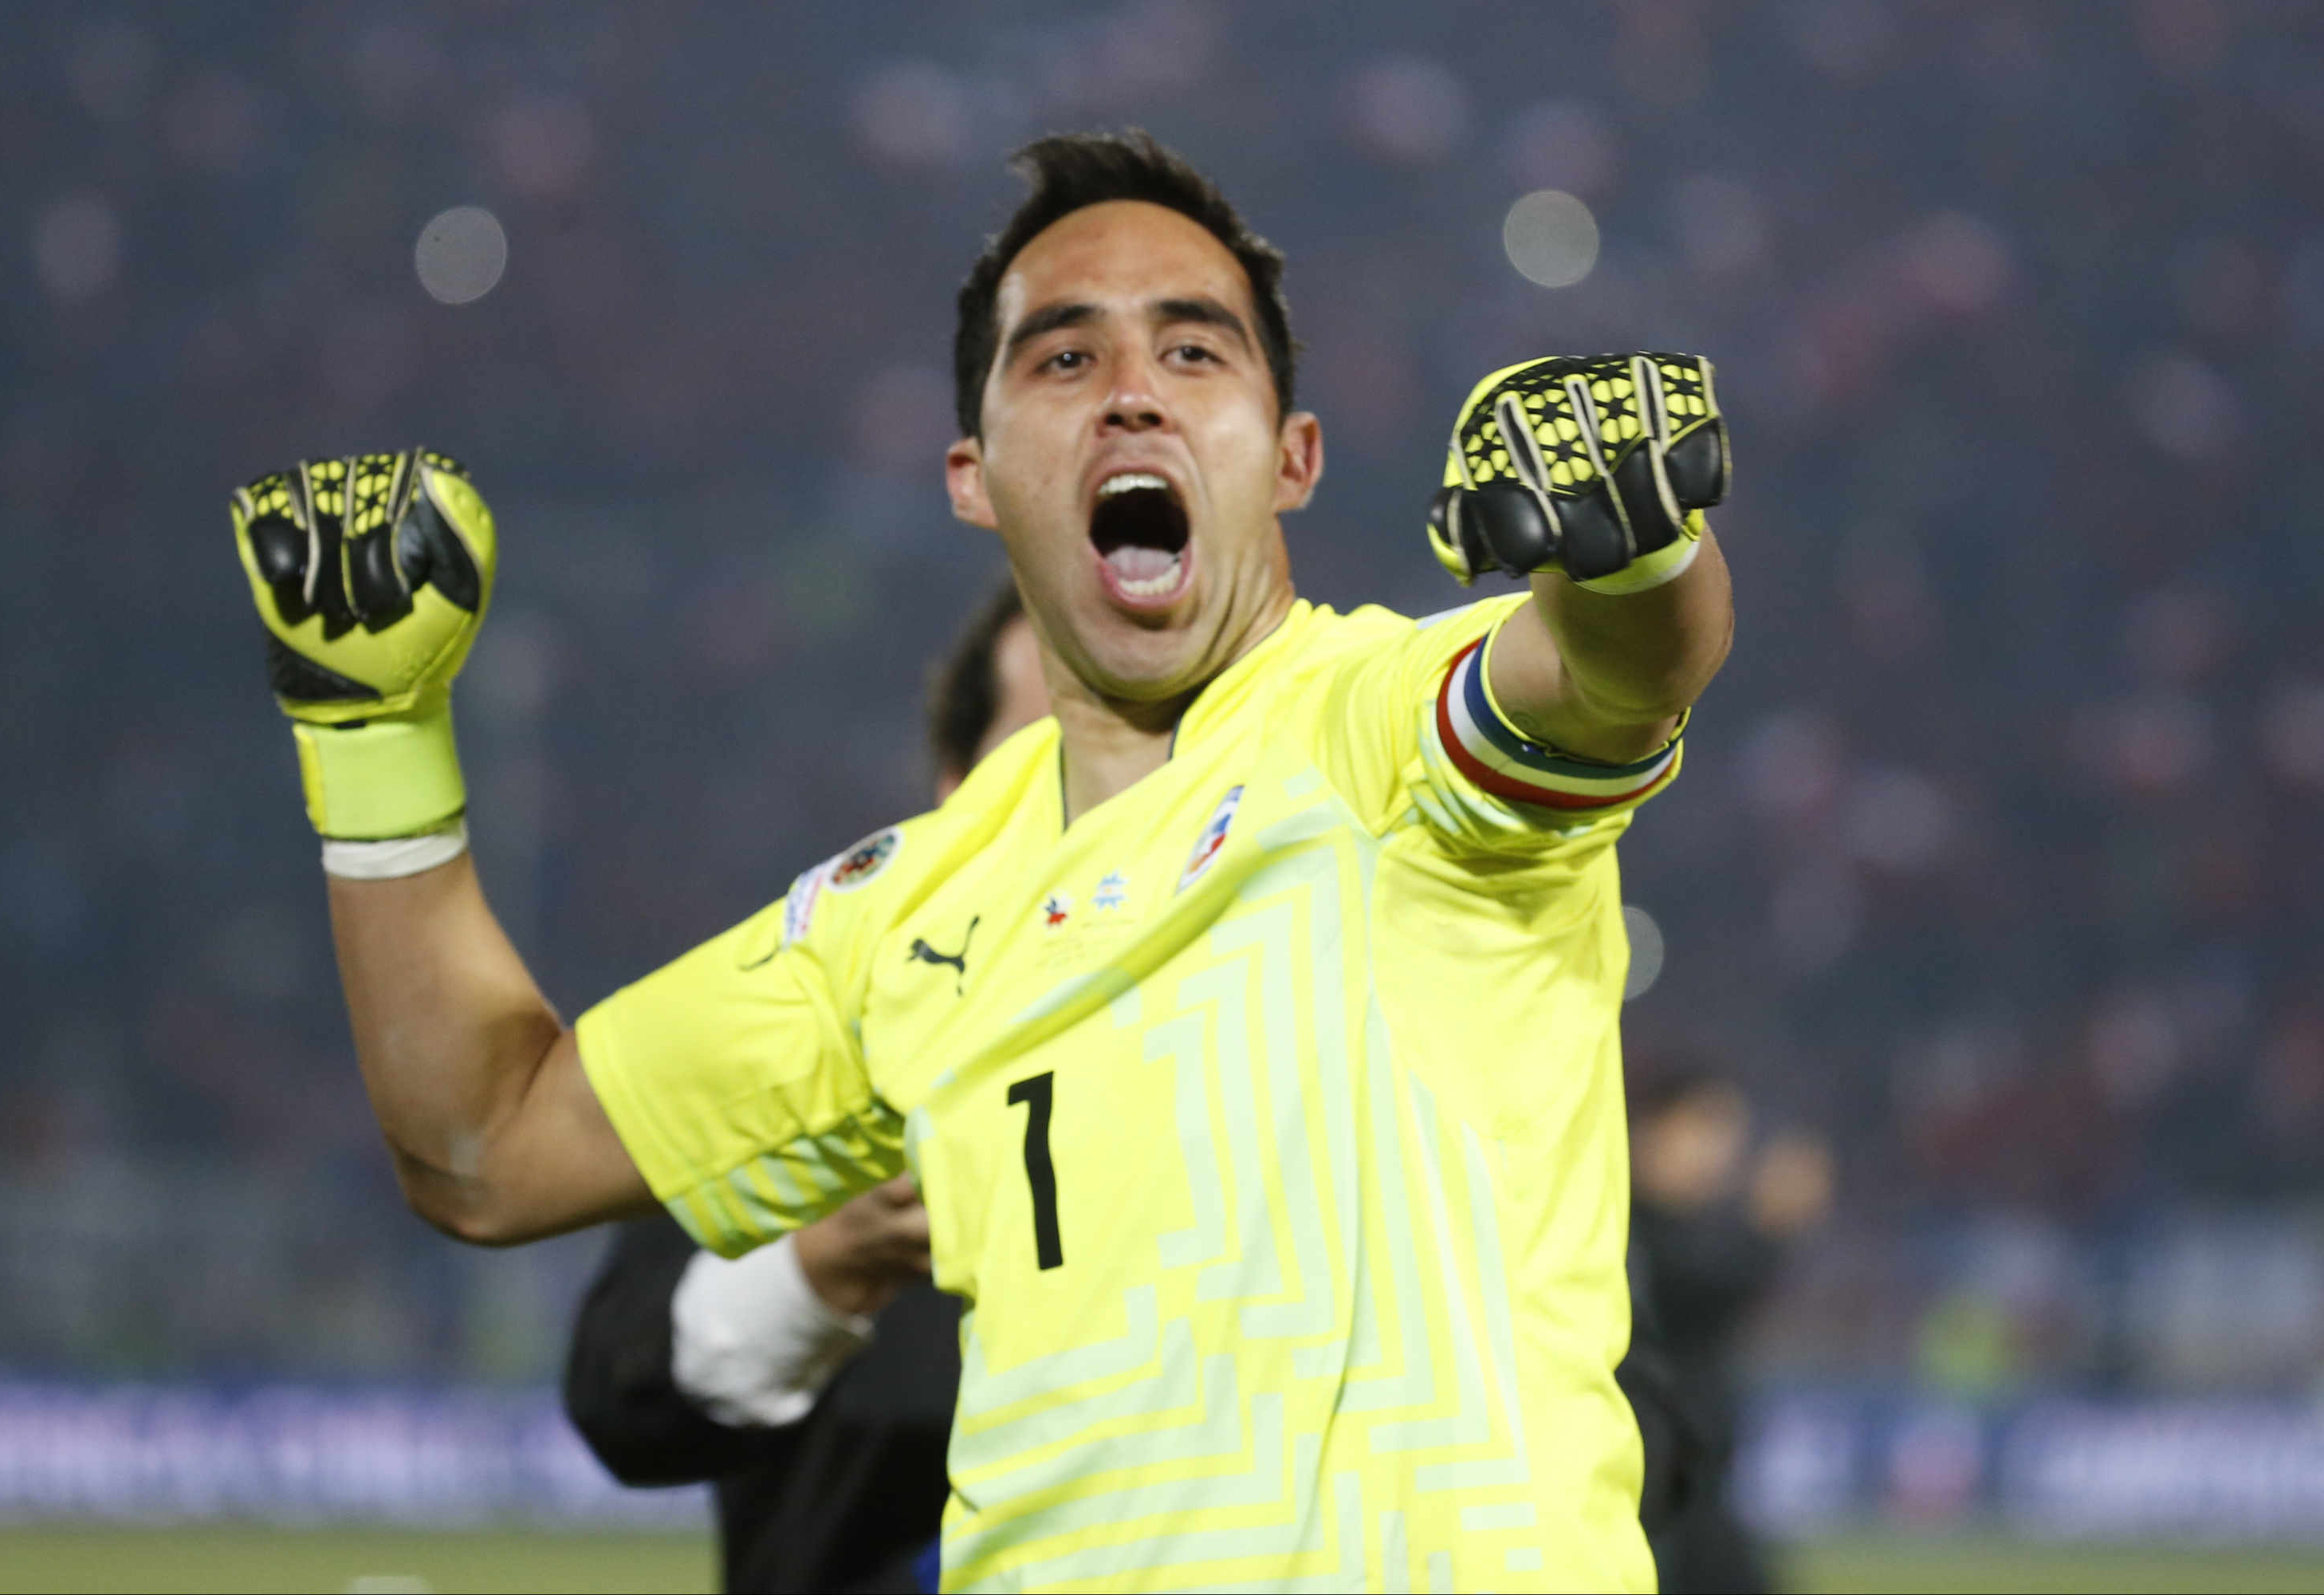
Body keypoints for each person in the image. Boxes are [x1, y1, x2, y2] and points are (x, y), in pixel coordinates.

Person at [228, 130, 1736, 1590]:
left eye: (1195, 350)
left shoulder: (1379, 734)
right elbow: (487, 1146)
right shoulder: (908, 913)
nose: (1134, 392)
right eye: (1066, 357)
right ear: (973, 471)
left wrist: (1639, 549)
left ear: (1293, 459)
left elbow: (1612, 676)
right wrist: (374, 741)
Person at [566, 585, 1044, 1594]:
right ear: (955, 791)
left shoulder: (1290, 1038)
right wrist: (821, 1269)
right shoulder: (816, 1039)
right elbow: (621, 1397)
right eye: (1048, 750)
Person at [1626, 1061, 1834, 1594]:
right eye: (1705, 1127)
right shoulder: (1621, 1225)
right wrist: (1767, 1225)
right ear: (1646, 1129)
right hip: (1655, 1499)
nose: (1722, 1151)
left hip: (1696, 1493)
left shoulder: (1687, 1230)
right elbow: (1703, 1289)